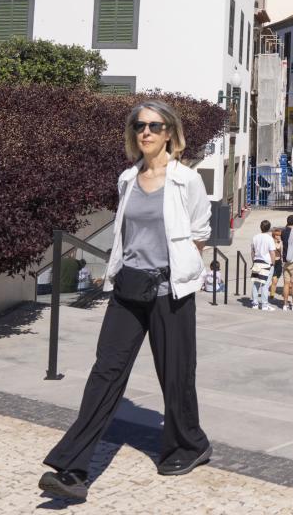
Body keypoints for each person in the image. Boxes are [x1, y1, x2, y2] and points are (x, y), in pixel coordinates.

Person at [40, 100, 212, 500]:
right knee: (106, 373)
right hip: (128, 290)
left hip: (170, 292)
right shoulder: (127, 179)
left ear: (170, 132)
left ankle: (190, 444)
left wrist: (179, 272)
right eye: (139, 126)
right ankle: (72, 469)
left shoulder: (187, 181)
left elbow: (200, 231)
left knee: (176, 374)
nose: (146, 132)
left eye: (154, 126)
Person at [249, 220, 276, 310]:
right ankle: (264, 304)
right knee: (265, 284)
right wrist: (273, 263)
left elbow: (252, 251)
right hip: (266, 263)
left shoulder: (255, 237)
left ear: (260, 227)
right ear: (269, 228)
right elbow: (272, 252)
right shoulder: (269, 239)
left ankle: (255, 303)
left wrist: (253, 261)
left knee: (256, 283)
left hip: (257, 261)